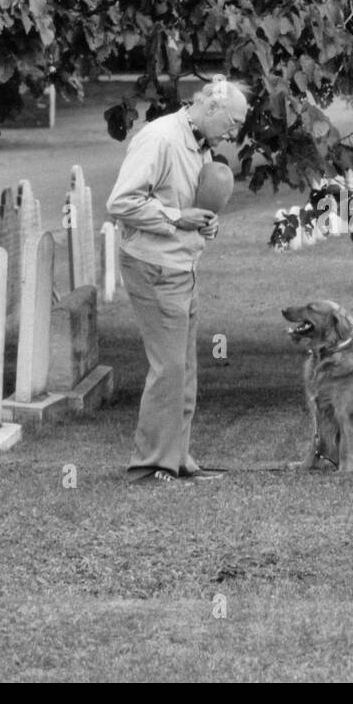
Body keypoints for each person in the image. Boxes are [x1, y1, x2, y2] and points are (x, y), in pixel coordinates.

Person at [106, 75, 249, 486]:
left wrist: (205, 224)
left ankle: (178, 458)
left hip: (182, 266)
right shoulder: (161, 137)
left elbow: (189, 204)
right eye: (233, 123)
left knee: (183, 370)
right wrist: (176, 218)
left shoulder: (203, 147)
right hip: (153, 266)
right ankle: (150, 466)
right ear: (211, 108)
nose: (234, 132)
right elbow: (121, 202)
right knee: (168, 369)